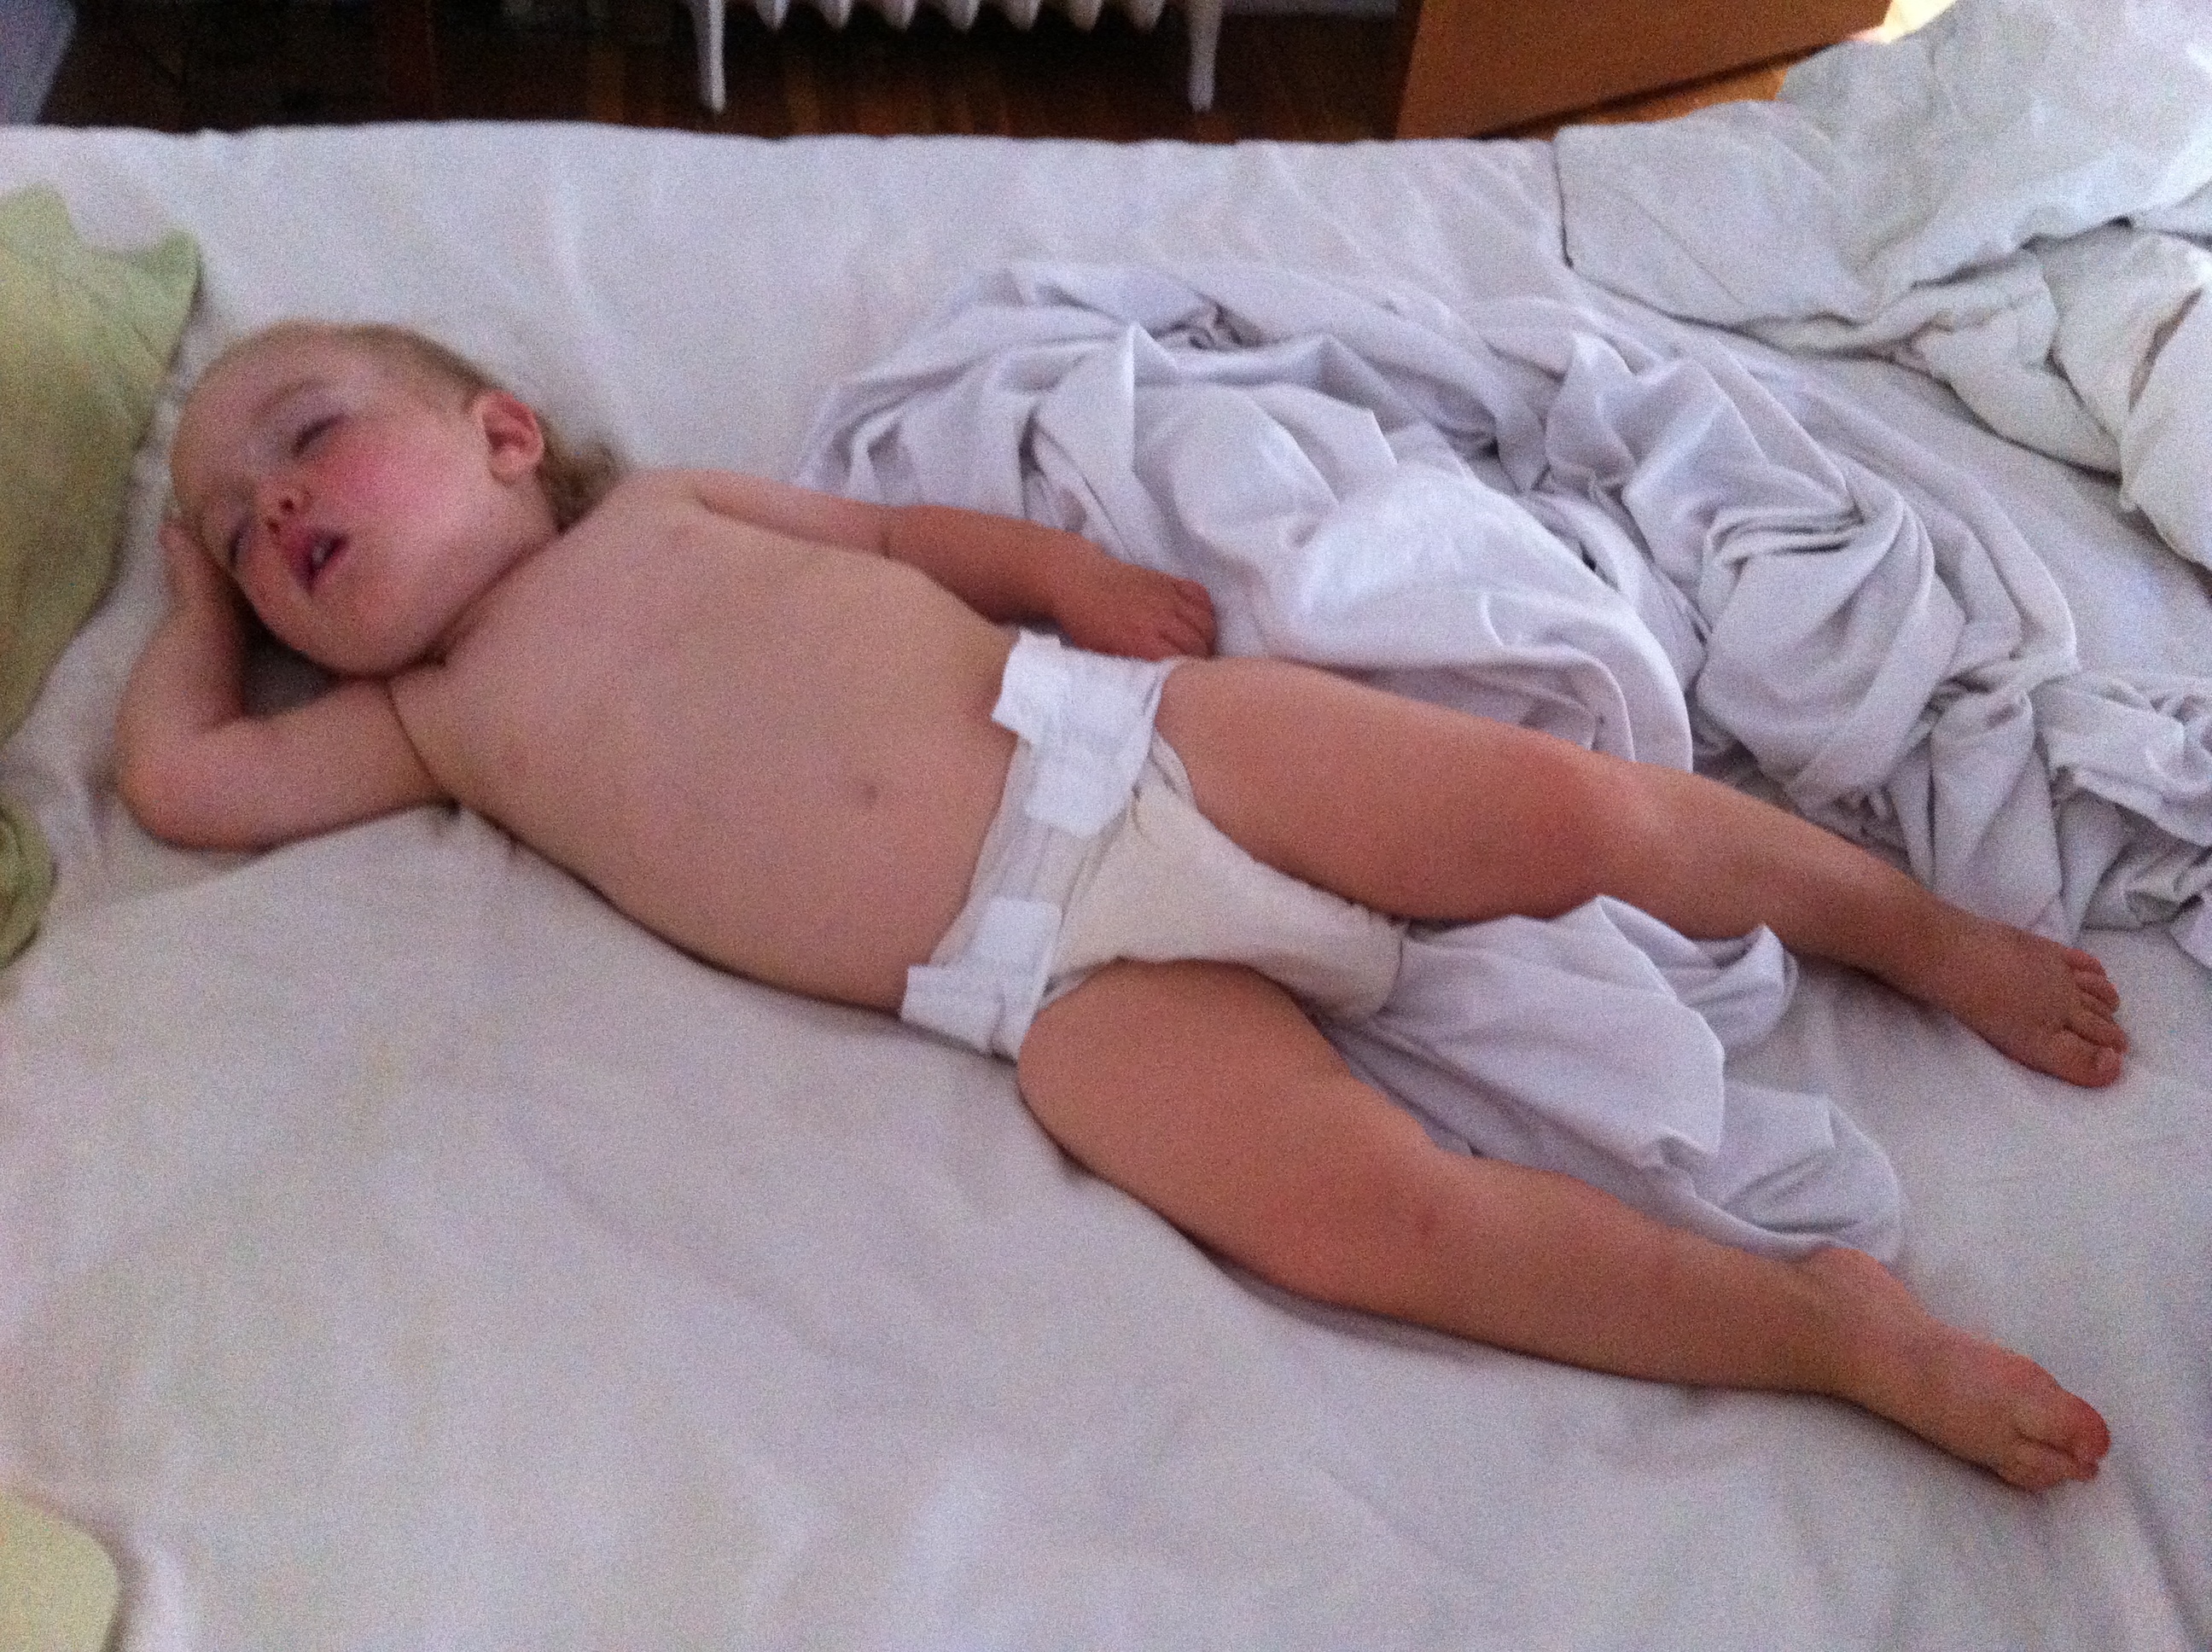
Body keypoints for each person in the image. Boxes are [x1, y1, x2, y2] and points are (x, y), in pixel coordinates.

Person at [119, 320, 2128, 1492]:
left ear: (501, 433)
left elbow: (898, 530)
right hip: (1035, 980)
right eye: (241, 528)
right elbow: (186, 780)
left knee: (1568, 810)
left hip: (1123, 741)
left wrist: (1065, 579)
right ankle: (1821, 1329)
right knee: (1363, 1219)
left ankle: (1908, 928)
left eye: (309, 440)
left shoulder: (666, 510)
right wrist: (191, 594)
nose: (274, 509)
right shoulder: (430, 724)